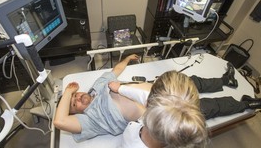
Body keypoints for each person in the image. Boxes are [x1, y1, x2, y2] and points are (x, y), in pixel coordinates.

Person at [109, 70, 261, 148]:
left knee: (195, 85)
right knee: (213, 106)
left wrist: (120, 88)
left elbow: (145, 96)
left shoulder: (151, 122)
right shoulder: (158, 115)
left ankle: (226, 82)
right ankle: (247, 104)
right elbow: (147, 97)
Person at [54, 54, 146, 142]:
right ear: (77, 114)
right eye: (74, 104)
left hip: (152, 91)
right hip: (151, 113)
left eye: (75, 95)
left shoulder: (98, 85)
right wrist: (68, 92)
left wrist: (127, 59)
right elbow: (60, 121)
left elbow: (116, 70)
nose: (77, 98)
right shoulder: (89, 120)